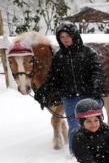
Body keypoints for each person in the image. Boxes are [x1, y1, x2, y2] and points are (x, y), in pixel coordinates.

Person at [34, 22, 104, 153]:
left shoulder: (88, 53)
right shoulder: (59, 57)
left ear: (74, 35)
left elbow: (97, 72)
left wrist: (96, 86)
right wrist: (43, 92)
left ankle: (100, 151)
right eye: (62, 37)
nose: (65, 39)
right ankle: (77, 154)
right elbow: (53, 78)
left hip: (88, 96)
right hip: (69, 98)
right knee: (74, 128)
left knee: (95, 125)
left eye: (68, 36)